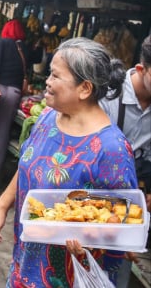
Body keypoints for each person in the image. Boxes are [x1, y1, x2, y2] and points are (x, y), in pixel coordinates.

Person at [0, 38, 137, 287]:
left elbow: (122, 228)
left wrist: (88, 246)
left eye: (55, 76)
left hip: (69, 276)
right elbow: (26, 166)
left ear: (84, 89)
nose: (47, 81)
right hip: (25, 265)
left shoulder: (112, 150)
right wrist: (1, 208)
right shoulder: (47, 118)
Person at [99, 35, 151, 286]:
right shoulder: (107, 96)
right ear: (141, 69)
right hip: (93, 195)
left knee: (115, 275)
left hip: (130, 204)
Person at [0, 19, 41, 193]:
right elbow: (37, 58)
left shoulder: (0, 42)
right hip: (14, 94)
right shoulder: (24, 48)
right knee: (2, 133)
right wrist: (39, 45)